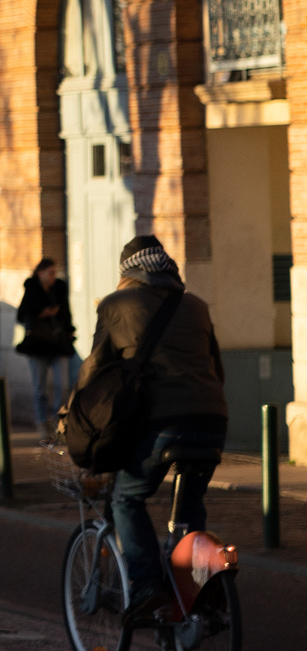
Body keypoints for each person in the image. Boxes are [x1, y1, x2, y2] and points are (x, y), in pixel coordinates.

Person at [82, 234, 226, 623]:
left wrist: (69, 418)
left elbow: (94, 373)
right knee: (190, 507)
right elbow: (217, 368)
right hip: (212, 421)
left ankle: (147, 586)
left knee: (126, 499)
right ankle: (200, 594)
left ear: (127, 274)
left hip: (162, 426)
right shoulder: (196, 306)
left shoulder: (116, 305)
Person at [13, 257, 79, 441]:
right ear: (40, 273)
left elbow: (66, 312)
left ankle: (59, 424)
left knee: (63, 386)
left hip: (58, 343)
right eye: (50, 273)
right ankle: (42, 424)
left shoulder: (59, 288)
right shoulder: (32, 288)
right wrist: (41, 314)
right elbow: (21, 316)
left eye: (54, 273)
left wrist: (69, 331)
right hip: (38, 344)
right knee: (39, 388)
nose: (53, 277)